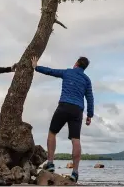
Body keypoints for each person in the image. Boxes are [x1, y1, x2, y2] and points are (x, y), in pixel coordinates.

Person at [31, 55, 94, 183]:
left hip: (64, 105)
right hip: (77, 110)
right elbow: (90, 98)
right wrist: (89, 115)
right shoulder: (87, 80)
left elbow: (51, 71)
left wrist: (36, 67)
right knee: (76, 139)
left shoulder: (67, 72)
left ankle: (50, 163)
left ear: (76, 63)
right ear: (85, 67)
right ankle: (75, 172)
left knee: (52, 132)